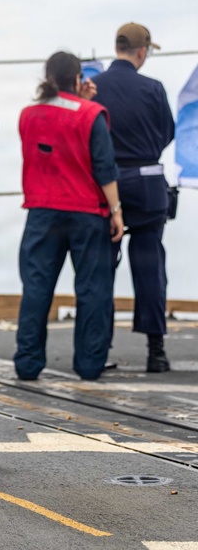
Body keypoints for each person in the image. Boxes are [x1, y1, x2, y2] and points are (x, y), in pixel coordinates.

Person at [14, 51, 124, 381]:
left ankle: (28, 363)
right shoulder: (92, 114)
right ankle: (90, 365)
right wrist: (116, 211)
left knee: (36, 288)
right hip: (87, 212)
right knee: (92, 289)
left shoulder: (28, 114)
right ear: (77, 79)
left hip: (41, 212)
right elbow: (104, 168)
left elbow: (53, 135)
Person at [92, 23, 176, 372]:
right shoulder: (153, 88)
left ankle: (98, 348)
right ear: (142, 51)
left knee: (100, 268)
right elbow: (167, 133)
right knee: (149, 265)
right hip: (146, 183)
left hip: (104, 185)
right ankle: (155, 351)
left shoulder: (96, 87)